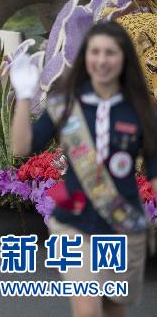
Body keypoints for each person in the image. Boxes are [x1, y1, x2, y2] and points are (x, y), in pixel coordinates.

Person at [10, 21, 157, 316]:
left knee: (113, 309)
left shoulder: (140, 109)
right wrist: (24, 96)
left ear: (123, 58)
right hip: (74, 226)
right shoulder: (65, 105)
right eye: (95, 52)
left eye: (110, 53)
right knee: (88, 311)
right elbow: (22, 147)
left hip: (123, 226)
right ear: (85, 57)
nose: (102, 60)